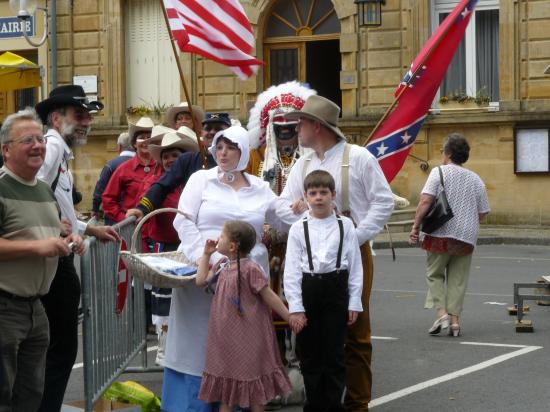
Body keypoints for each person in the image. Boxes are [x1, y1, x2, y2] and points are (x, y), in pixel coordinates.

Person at [274, 95, 394, 411]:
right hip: (310, 255)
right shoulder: (304, 163)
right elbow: (281, 205)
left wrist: (354, 236)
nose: (295, 128)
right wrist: (306, 219)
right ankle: (322, 402)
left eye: (301, 122)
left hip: (352, 252)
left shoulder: (360, 158)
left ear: (316, 125)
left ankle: (357, 404)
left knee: (356, 330)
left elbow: (384, 202)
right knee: (314, 335)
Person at [161, 126, 283, 412]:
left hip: (245, 278)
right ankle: (192, 405)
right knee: (198, 342)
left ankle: (237, 402)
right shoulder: (200, 180)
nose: (223, 153)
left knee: (239, 344)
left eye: (231, 147)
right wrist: (210, 259)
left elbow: (284, 218)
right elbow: (183, 221)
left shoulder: (261, 187)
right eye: (219, 146)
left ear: (243, 152)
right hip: (203, 270)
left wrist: (314, 210)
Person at [35, 85, 120, 412]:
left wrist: (88, 228)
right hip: (56, 260)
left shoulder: (60, 150)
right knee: (61, 349)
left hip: (59, 255)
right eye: (78, 115)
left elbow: (57, 203)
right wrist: (56, 224)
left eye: (88, 116)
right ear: (57, 118)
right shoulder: (53, 146)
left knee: (55, 346)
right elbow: (36, 189)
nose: (86, 122)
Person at [0, 109, 85, 412]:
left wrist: (68, 241)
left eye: (40, 138)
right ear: (6, 150)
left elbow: (48, 234)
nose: (38, 145)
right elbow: (35, 243)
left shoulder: (42, 190)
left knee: (31, 395)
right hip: (5, 308)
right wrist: (39, 247)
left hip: (36, 309)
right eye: (28, 140)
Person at [284, 170, 363, 412]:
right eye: (313, 193)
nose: (318, 197)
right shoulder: (298, 229)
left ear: (333, 195)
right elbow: (292, 272)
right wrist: (295, 307)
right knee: (309, 353)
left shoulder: (345, 225)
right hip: (310, 288)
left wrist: (354, 302)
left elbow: (355, 265)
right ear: (306, 197)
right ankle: (314, 404)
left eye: (323, 192)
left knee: (334, 352)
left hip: (336, 288)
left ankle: (333, 405)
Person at [196, 220, 293, 411]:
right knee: (227, 391)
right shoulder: (223, 265)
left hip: (249, 335)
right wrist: (206, 255)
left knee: (255, 391)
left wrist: (289, 316)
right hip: (225, 336)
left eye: (222, 236)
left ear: (232, 246)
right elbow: (201, 281)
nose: (218, 238)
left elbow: (269, 296)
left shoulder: (250, 268)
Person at [409, 133, 490, 337]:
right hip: (467, 236)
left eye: (443, 150)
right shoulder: (476, 179)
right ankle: (455, 323)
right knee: (458, 279)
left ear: (449, 153)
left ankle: (442, 313)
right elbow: (483, 213)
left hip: (441, 232)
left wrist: (415, 227)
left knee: (434, 274)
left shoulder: (439, 172)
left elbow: (425, 202)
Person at [143, 127, 199, 365]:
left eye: (174, 155)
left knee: (189, 296)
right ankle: (163, 349)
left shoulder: (196, 179)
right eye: (165, 156)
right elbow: (148, 199)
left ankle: (188, 349)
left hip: (191, 246)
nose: (169, 160)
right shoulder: (159, 184)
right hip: (165, 245)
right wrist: (141, 209)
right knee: (163, 297)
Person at [126, 112, 231, 222]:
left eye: (218, 129)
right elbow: (162, 186)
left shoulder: (241, 161)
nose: (212, 132)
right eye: (208, 128)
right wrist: (143, 209)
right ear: (201, 132)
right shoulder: (187, 160)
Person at [102, 117, 156, 224]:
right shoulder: (124, 169)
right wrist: (123, 219)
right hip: (132, 230)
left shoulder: (161, 168)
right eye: (141, 138)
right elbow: (108, 199)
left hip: (157, 232)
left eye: (149, 138)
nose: (145, 141)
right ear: (135, 144)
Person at [91, 131, 135, 219]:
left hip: (114, 215)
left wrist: (95, 209)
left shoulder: (111, 165)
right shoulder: (144, 165)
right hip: (137, 215)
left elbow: (100, 189)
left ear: (119, 147)